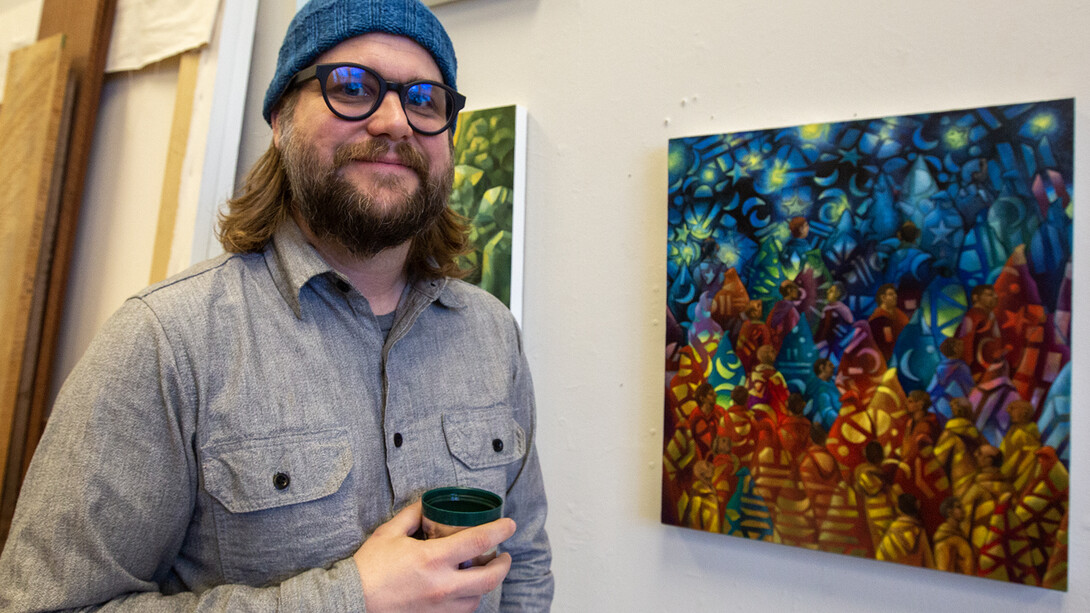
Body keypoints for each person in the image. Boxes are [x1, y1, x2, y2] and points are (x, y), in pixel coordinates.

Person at [0, 1, 553, 611]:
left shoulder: (492, 334)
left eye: (425, 99)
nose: (396, 120)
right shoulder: (166, 341)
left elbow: (523, 566)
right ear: (281, 120)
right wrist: (351, 597)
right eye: (352, 87)